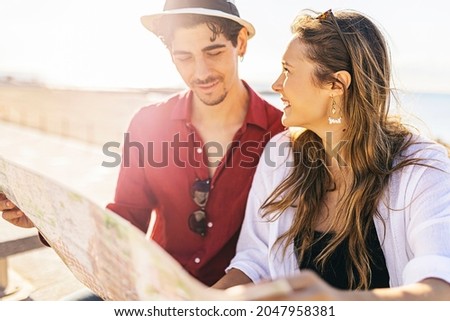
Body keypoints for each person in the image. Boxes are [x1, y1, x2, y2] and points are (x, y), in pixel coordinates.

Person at [0, 0, 284, 289]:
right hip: (152, 293)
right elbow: (126, 220)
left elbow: (281, 248)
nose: (201, 73)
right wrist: (44, 218)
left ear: (241, 42)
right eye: (184, 57)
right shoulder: (149, 123)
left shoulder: (282, 133)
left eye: (214, 52)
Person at [213, 9, 450, 300]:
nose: (276, 85)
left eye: (288, 71)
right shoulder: (280, 155)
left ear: (336, 85)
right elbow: (256, 262)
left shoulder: (424, 168)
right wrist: (197, 302)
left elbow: (440, 290)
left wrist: (338, 304)